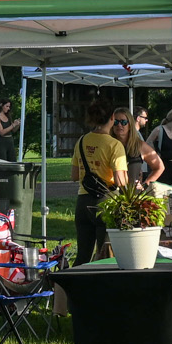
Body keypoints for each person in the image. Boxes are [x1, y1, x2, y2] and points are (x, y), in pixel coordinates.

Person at [69, 97, 128, 265]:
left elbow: (74, 176)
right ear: (112, 118)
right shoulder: (114, 145)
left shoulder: (81, 141)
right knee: (105, 255)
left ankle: (74, 289)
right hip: (106, 202)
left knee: (82, 256)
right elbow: (120, 180)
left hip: (83, 201)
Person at [0, 96, 21, 162]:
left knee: (12, 161)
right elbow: (1, 132)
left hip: (10, 141)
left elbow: (13, 130)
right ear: (1, 105)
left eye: (9, 107)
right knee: (2, 162)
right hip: (1, 142)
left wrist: (17, 125)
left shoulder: (8, 116)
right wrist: (13, 125)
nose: (8, 108)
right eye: (7, 106)